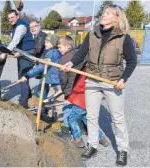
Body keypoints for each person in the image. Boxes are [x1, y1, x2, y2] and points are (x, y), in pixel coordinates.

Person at [61, 5, 137, 166]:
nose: (104, 15)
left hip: (113, 82)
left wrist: (123, 79)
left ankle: (123, 150)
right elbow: (81, 54)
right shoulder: (92, 34)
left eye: (109, 13)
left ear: (116, 19)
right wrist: (70, 63)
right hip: (92, 79)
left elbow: (132, 61)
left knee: (117, 118)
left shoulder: (124, 38)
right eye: (104, 13)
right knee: (91, 116)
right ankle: (93, 145)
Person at [57, 35, 109, 148]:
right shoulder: (88, 63)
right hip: (83, 96)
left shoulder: (91, 68)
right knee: (86, 118)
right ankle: (101, 138)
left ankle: (78, 141)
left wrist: (67, 91)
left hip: (82, 97)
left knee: (72, 119)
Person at [17, 34, 61, 114]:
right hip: (46, 78)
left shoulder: (52, 53)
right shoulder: (52, 52)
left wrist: (27, 75)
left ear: (53, 44)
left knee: (43, 96)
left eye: (47, 42)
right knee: (40, 94)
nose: (45, 44)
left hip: (50, 80)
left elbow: (42, 66)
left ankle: (42, 113)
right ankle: (42, 111)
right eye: (45, 42)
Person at [6, 10, 35, 108]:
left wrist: (5, 52)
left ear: (17, 16)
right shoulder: (15, 26)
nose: (10, 19)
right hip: (21, 53)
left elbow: (15, 41)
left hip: (27, 54)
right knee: (22, 76)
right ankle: (29, 97)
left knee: (23, 78)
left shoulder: (21, 26)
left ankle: (23, 103)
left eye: (12, 17)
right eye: (9, 18)